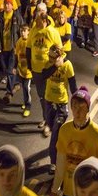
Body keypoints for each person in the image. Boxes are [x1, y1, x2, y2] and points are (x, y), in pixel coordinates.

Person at [48, 87, 98, 196]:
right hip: (69, 192)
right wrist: (54, 190)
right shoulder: (65, 130)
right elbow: (60, 164)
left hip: (89, 195)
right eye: (75, 107)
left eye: (82, 108)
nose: (77, 112)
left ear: (88, 108)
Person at [27, 8, 63, 136]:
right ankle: (46, 118)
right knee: (42, 97)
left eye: (37, 21)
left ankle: (51, 122)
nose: (35, 23)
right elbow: (28, 47)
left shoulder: (52, 32)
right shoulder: (33, 30)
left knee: (50, 97)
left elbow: (60, 50)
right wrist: (29, 65)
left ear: (44, 20)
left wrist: (55, 64)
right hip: (36, 70)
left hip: (49, 70)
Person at [42, 44, 77, 174]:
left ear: (60, 56)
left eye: (52, 57)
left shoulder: (68, 65)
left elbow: (73, 86)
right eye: (49, 56)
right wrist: (54, 66)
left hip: (61, 104)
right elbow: (43, 76)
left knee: (55, 136)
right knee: (51, 127)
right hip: (49, 101)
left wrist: (77, 102)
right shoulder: (49, 63)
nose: (49, 59)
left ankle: (53, 162)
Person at [0, 0, 24, 104]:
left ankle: (8, 93)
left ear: (13, 5)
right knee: (7, 69)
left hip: (13, 47)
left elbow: (22, 30)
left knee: (10, 70)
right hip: (3, 47)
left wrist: (20, 45)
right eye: (5, 3)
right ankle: (16, 83)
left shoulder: (17, 17)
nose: (7, 6)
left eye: (9, 4)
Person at [15, 24, 32, 118]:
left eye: (24, 31)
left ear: (28, 32)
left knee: (27, 88)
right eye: (21, 31)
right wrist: (15, 67)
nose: (22, 33)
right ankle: (25, 102)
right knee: (24, 89)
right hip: (21, 69)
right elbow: (16, 54)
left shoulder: (30, 42)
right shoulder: (19, 42)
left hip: (28, 71)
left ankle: (28, 107)